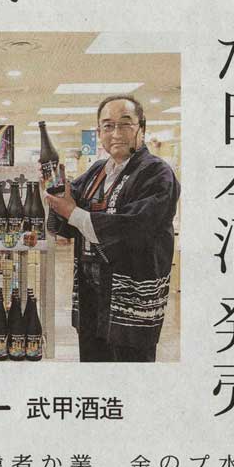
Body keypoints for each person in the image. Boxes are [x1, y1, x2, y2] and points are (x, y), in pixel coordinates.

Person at [45, 95, 180, 363]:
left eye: (125, 124)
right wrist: (54, 192)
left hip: (131, 296)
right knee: (94, 365)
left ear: (141, 127)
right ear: (98, 133)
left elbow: (135, 226)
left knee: (130, 371)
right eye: (107, 126)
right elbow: (68, 213)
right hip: (92, 295)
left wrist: (73, 213)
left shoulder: (157, 173)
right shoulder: (97, 171)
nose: (116, 133)